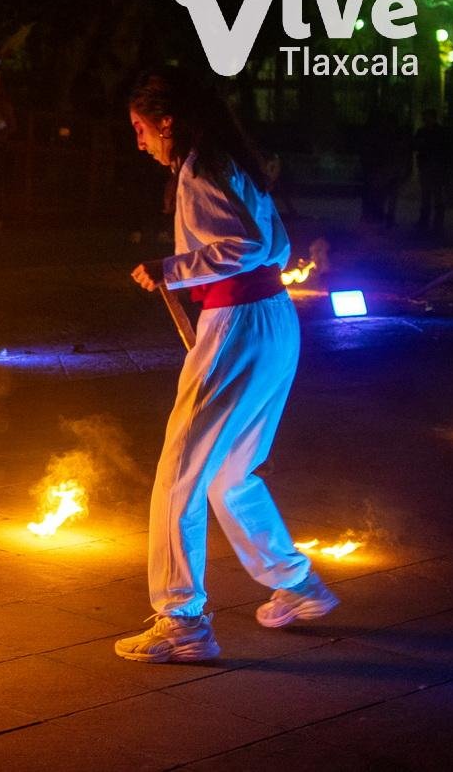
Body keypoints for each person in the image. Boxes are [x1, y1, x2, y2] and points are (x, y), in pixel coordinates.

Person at [116, 67, 337, 664]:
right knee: (231, 472)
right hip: (272, 320)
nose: (139, 142)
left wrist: (170, 268)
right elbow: (272, 244)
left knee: (179, 473)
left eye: (141, 128)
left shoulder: (200, 169)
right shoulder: (231, 163)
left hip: (239, 323)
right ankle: (297, 585)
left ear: (167, 121)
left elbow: (245, 246)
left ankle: (181, 620)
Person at [413, 108, 452, 238]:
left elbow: (446, 149)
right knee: (427, 195)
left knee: (436, 194)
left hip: (436, 167)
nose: (425, 119)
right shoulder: (424, 131)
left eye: (427, 117)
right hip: (427, 166)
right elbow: (416, 145)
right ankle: (426, 220)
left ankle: (436, 222)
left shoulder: (439, 132)